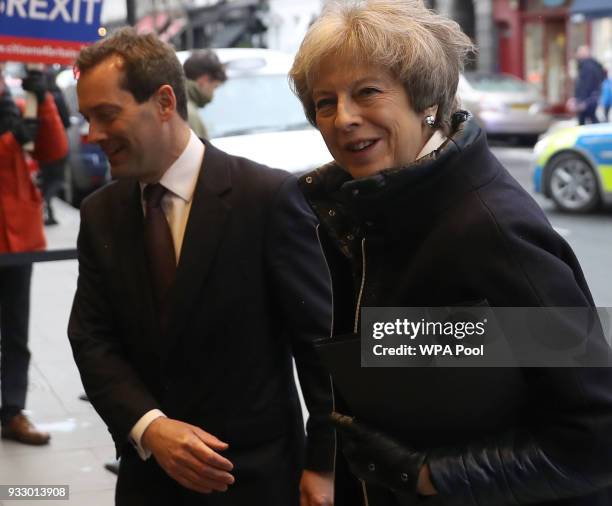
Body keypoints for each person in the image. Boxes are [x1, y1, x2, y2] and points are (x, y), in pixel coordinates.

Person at [289, 1, 612, 505]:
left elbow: (596, 438)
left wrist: (426, 475)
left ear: (426, 101)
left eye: (367, 92)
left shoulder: (491, 231)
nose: (343, 118)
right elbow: (421, 365)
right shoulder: (364, 208)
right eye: (324, 102)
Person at [67, 28, 334, 506]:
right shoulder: (100, 212)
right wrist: (150, 428)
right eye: (88, 119)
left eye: (107, 115)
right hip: (149, 481)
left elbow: (320, 346)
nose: (94, 135)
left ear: (165, 102)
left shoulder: (265, 198)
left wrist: (323, 466)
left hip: (255, 479)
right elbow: (92, 338)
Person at [0, 69, 68, 445]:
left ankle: (12, 410)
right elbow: (12, 148)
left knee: (16, 332)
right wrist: (11, 142)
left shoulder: (15, 106)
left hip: (17, 238)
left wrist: (43, 102)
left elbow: (54, 150)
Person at [182, 50, 227, 140]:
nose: (213, 95)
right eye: (214, 87)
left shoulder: (177, 102)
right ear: (203, 80)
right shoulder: (189, 114)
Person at [574, 45, 605, 125]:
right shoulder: (593, 65)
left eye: (579, 53)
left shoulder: (587, 67)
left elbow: (585, 85)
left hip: (587, 99)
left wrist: (581, 101)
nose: (577, 55)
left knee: (587, 120)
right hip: (591, 98)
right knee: (591, 118)